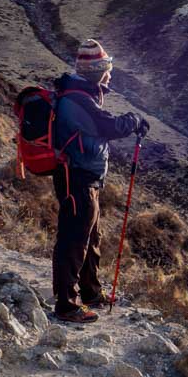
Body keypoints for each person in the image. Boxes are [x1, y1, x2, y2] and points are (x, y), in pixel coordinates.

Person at [51, 39, 149, 324]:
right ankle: (66, 305)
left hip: (84, 177)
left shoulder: (79, 94)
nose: (110, 74)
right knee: (74, 239)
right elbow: (109, 127)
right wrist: (135, 119)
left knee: (90, 237)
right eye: (106, 69)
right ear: (96, 72)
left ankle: (91, 292)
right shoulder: (78, 99)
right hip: (76, 178)